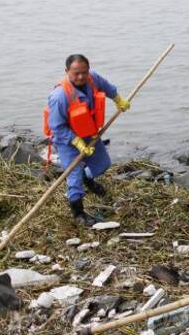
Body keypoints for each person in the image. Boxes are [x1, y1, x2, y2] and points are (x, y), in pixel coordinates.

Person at [44, 54, 130, 226]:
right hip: (67, 141)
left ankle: (87, 177)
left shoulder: (93, 79)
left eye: (84, 72)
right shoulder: (59, 96)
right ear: (67, 71)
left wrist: (118, 99)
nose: (81, 77)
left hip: (89, 133)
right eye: (76, 73)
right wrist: (76, 142)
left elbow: (108, 88)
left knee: (103, 164)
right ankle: (78, 213)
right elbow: (57, 128)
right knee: (73, 176)